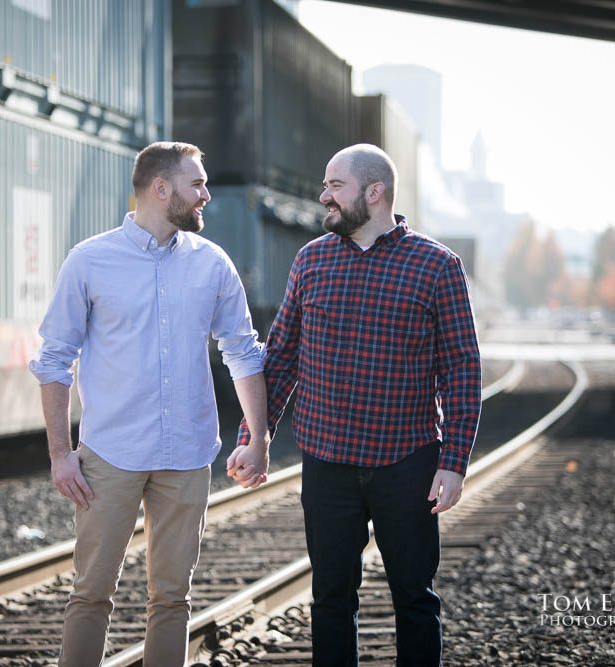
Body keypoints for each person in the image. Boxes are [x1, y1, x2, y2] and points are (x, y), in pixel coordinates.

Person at [232, 144, 481, 666]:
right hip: (327, 466)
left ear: (375, 193)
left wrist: (453, 463)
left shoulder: (437, 267)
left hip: (407, 463)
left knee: (414, 601)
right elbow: (280, 359)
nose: (323, 196)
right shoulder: (312, 261)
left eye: (335, 186)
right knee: (329, 602)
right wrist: (256, 440)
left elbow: (461, 369)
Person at [29, 141, 270, 667]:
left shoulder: (212, 263)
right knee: (91, 593)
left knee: (173, 599)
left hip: (186, 454)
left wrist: (259, 437)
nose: (206, 195)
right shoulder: (90, 260)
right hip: (110, 454)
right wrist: (59, 453)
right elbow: (53, 360)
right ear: (161, 190)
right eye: (197, 184)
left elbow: (244, 351)